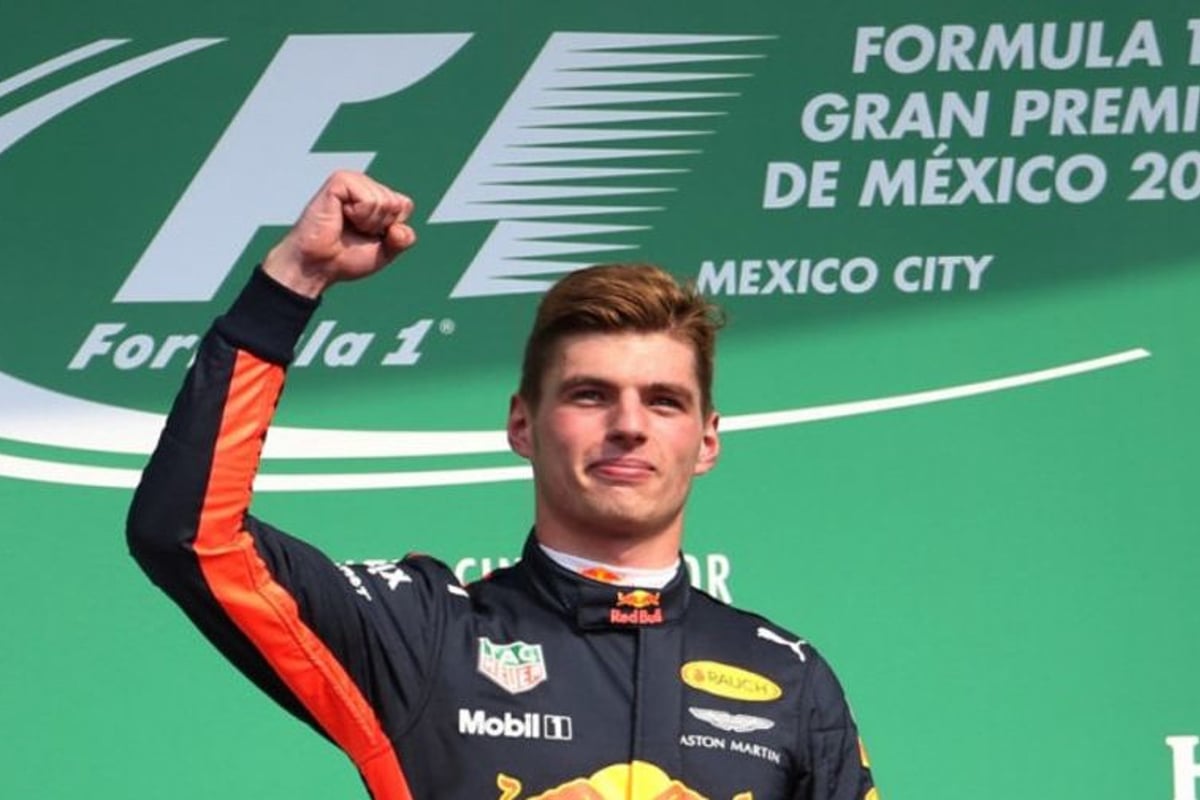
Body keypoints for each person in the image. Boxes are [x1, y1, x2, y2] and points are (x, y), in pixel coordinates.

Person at [128, 171, 878, 800]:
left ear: (706, 440)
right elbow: (189, 534)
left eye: (663, 401)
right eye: (590, 395)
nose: (628, 425)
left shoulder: (789, 677)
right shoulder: (425, 635)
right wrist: (293, 281)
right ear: (522, 424)